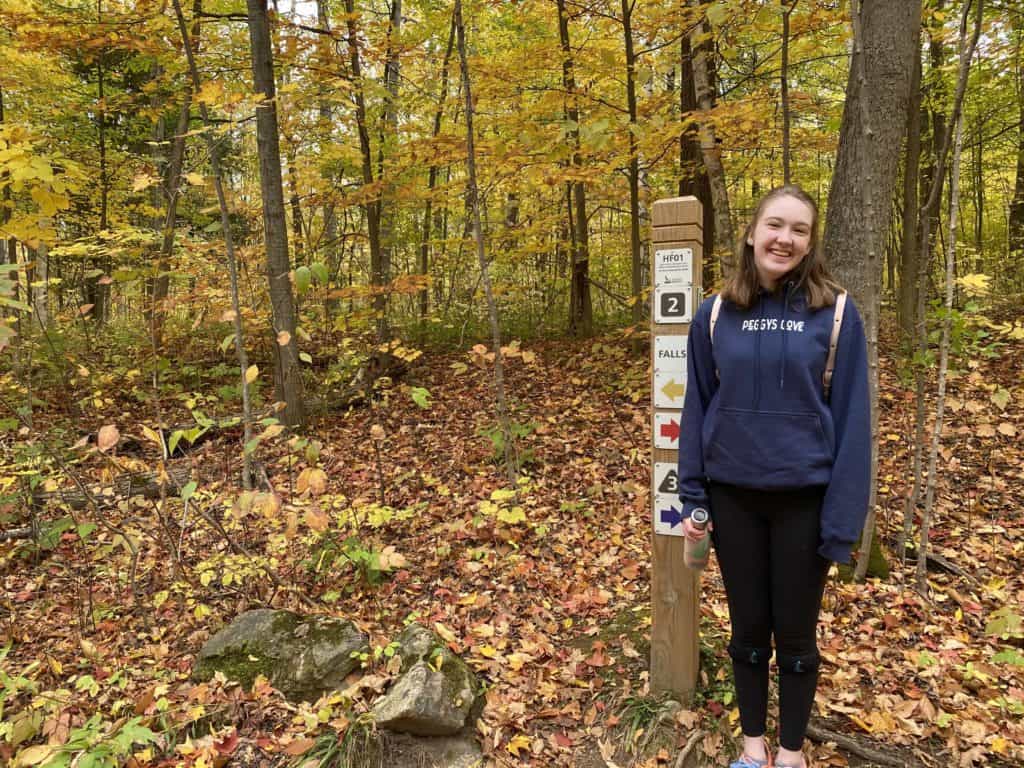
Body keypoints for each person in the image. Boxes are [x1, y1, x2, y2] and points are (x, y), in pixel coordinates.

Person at [677, 184, 870, 768]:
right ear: (751, 232)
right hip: (732, 498)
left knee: (796, 636)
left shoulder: (834, 313)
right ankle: (752, 747)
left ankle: (789, 753)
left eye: (799, 230)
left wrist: (841, 524)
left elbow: (853, 422)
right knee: (747, 630)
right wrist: (692, 497)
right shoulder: (714, 315)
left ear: (810, 243)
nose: (785, 239)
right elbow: (697, 409)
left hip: (803, 502)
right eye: (775, 225)